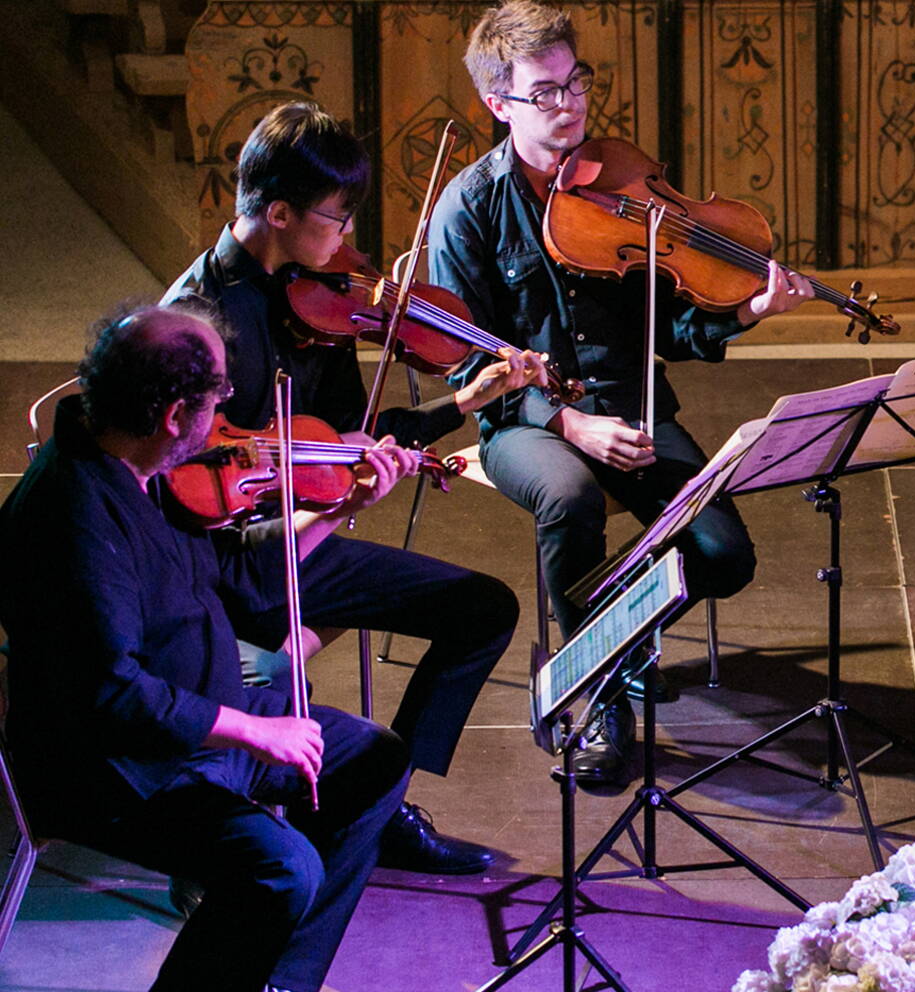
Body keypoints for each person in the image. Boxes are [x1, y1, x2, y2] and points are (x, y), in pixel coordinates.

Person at [426, 0, 816, 788]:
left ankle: (616, 637)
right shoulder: (467, 210)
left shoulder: (620, 182)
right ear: (498, 103)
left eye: (577, 82)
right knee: (569, 497)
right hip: (523, 424)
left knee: (724, 556)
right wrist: (570, 424)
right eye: (545, 91)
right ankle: (599, 696)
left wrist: (747, 311)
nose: (569, 104)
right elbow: (467, 373)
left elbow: (669, 327)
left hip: (633, 406)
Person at [163, 101, 539, 873]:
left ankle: (381, 798)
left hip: (308, 538)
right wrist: (332, 498)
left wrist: (462, 404)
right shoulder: (193, 324)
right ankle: (288, 821)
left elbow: (342, 437)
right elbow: (183, 499)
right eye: (337, 218)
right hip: (227, 566)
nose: (349, 240)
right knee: (274, 661)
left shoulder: (319, 300)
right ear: (278, 213)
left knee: (482, 608)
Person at [0, 305, 412, 992]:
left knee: (374, 758)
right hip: (119, 769)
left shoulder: (146, 468)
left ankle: (279, 978)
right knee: (281, 868)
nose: (224, 415)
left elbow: (244, 582)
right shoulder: (75, 518)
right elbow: (113, 693)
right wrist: (255, 731)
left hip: (201, 720)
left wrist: (338, 509)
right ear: (172, 415)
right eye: (217, 397)